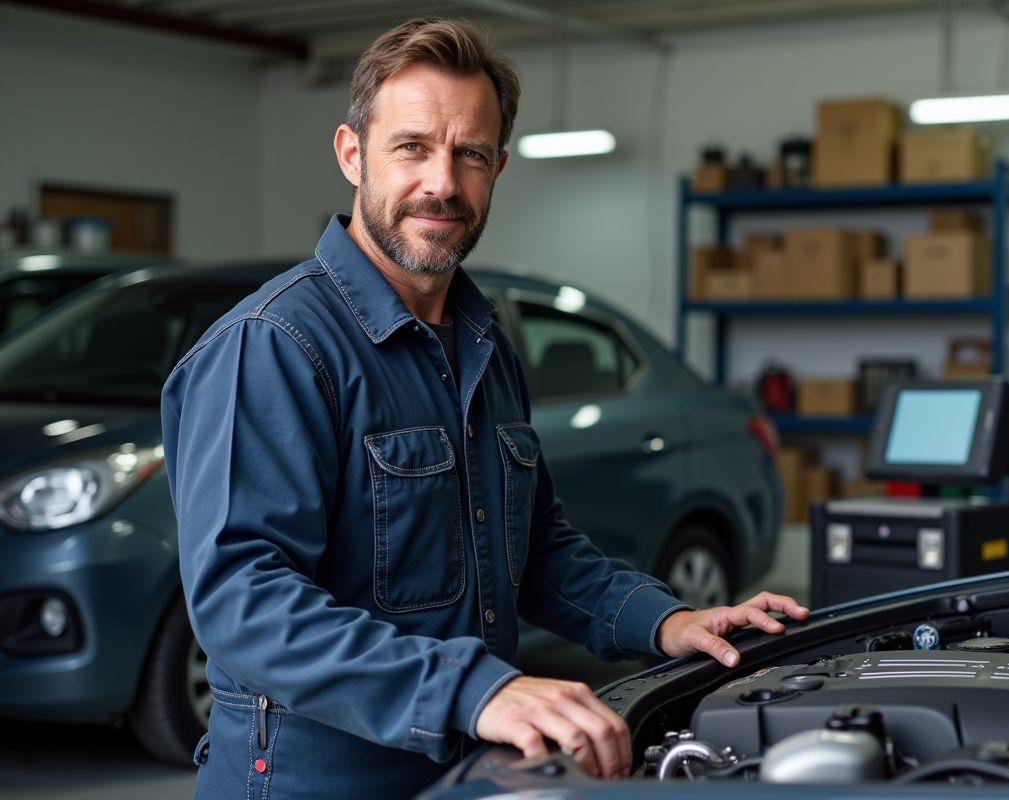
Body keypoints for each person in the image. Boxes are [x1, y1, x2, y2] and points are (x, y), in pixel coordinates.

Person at [162, 16, 807, 799]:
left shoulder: (485, 344)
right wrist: (477, 689)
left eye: (470, 154)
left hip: (468, 770)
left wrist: (667, 623)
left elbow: (532, 550)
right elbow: (244, 601)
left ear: (498, 167)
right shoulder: (275, 347)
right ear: (351, 154)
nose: (442, 182)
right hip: (319, 781)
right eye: (412, 148)